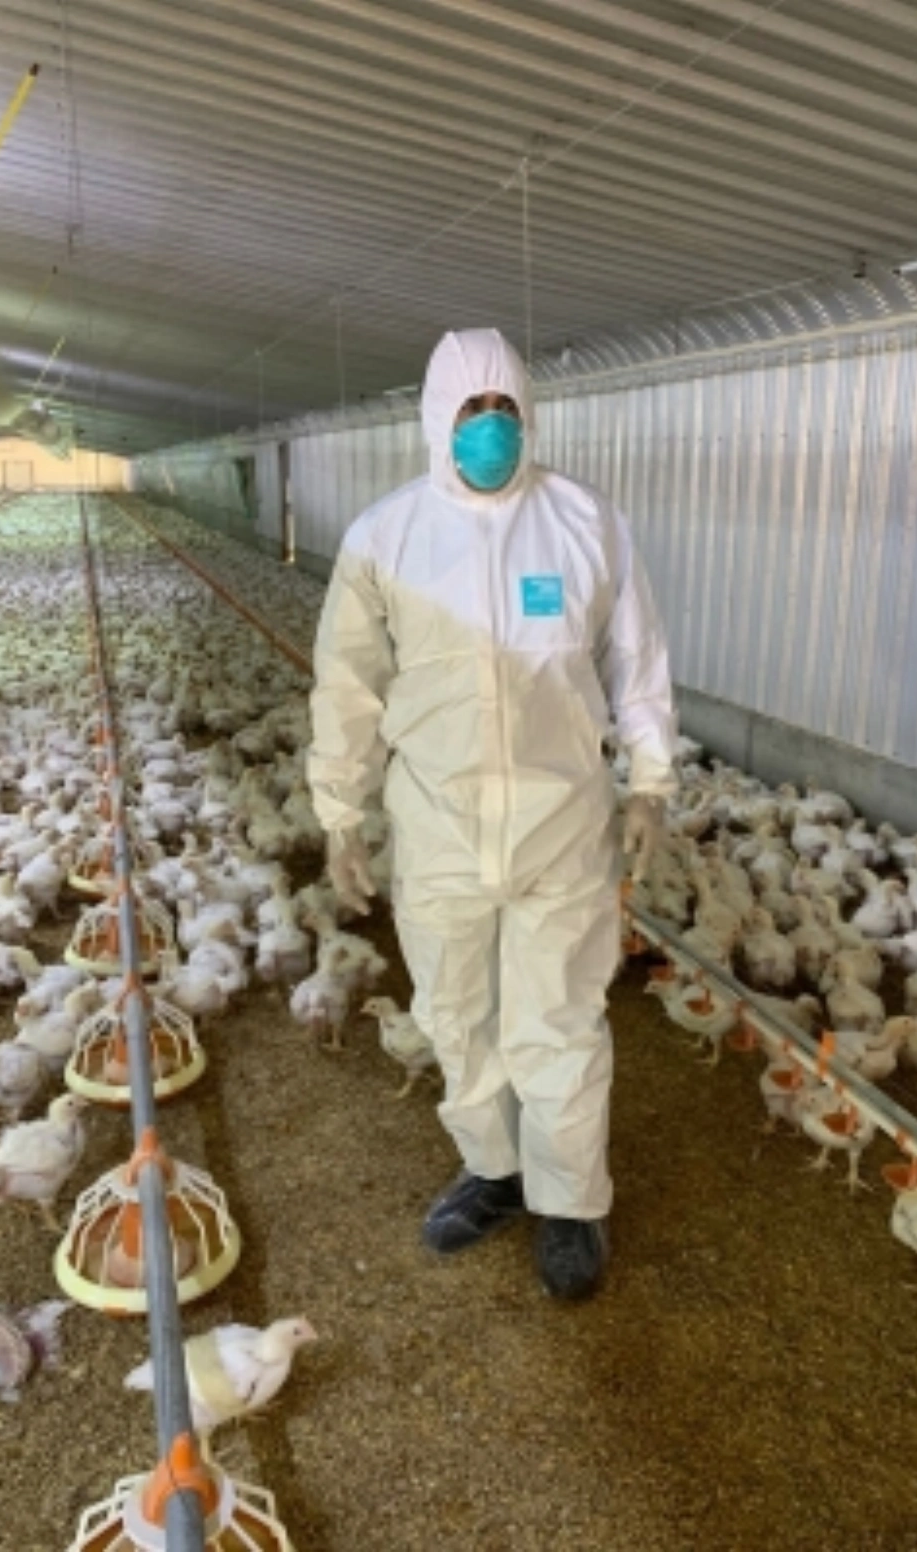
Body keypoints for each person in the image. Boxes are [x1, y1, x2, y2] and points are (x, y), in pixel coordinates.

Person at [308, 327, 676, 1300]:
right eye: (472, 410)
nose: (491, 426)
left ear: (529, 412)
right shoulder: (386, 537)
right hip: (438, 819)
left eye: (505, 407)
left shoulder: (585, 523)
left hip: (562, 818)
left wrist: (650, 781)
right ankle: (494, 1168)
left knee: (559, 1016)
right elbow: (347, 684)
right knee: (455, 1011)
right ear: (439, 417)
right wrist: (339, 811)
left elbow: (636, 659)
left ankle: (571, 1201)